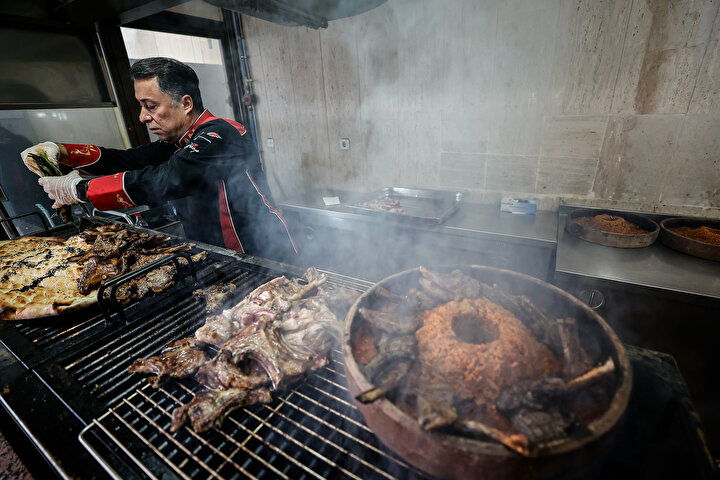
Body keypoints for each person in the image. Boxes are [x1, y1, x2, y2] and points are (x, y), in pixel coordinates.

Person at [20, 57, 298, 261]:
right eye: (142, 107)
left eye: (151, 106)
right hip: (217, 254)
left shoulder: (222, 134)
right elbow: (128, 160)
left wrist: (79, 189)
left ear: (185, 103)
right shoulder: (178, 140)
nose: (143, 117)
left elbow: (169, 179)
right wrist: (62, 151)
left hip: (261, 255)